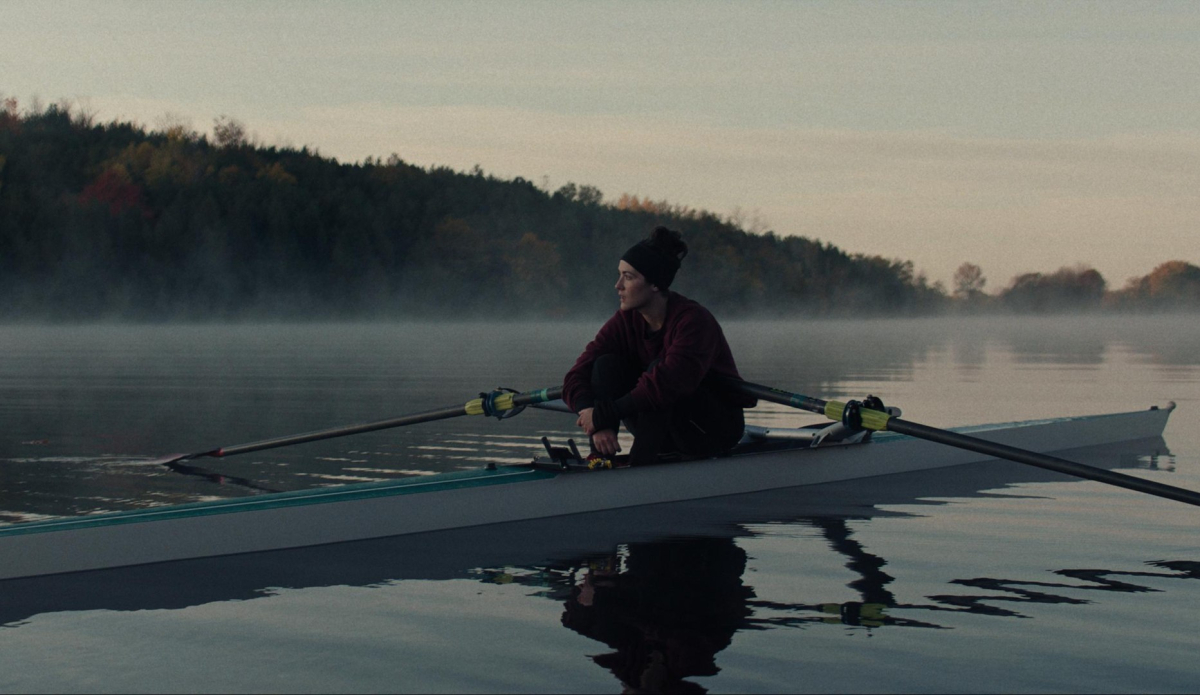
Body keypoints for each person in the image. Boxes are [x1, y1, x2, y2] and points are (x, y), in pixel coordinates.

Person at [562, 226, 756, 466]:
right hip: (662, 427)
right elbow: (575, 375)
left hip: (711, 430)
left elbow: (665, 385)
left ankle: (641, 467)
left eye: (628, 277)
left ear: (655, 284)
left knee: (657, 373)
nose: (617, 285)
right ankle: (600, 459)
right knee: (604, 366)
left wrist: (602, 414)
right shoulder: (625, 321)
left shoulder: (694, 321)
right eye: (619, 275)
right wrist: (593, 419)